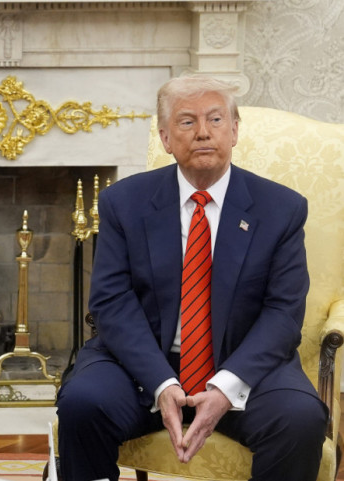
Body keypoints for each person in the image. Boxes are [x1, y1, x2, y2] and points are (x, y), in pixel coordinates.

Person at [56, 76, 328, 481]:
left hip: (243, 365)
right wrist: (161, 382)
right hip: (143, 365)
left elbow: (283, 313)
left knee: (300, 419)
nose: (203, 132)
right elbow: (112, 301)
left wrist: (226, 386)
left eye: (215, 119)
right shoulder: (123, 202)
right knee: (82, 402)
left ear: (234, 130)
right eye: (187, 122)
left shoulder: (281, 209)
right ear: (165, 138)